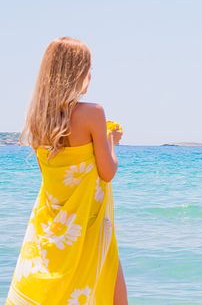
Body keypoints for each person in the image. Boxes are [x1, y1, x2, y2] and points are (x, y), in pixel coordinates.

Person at [6, 36, 128, 304]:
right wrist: (111, 141)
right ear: (77, 73)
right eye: (88, 68)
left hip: (53, 225)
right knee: (112, 287)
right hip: (90, 222)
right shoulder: (93, 114)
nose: (90, 74)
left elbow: (53, 178)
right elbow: (107, 171)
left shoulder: (38, 120)